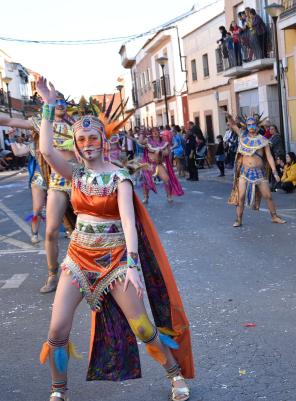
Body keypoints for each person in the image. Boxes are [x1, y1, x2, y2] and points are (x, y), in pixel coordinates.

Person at [36, 77, 193, 401]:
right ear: (77, 143)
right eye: (82, 138)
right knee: (56, 331)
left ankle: (174, 373)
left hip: (115, 264)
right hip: (78, 261)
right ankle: (58, 390)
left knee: (143, 328)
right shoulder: (75, 175)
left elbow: (129, 223)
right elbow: (46, 149)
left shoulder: (120, 177)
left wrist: (133, 266)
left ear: (102, 139)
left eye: (93, 137)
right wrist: (49, 106)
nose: (88, 143)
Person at [0, 92, 77, 293]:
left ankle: (90, 270)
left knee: (84, 231)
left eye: (63, 102)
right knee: (50, 230)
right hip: (57, 182)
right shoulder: (42, 123)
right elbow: (9, 119)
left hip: (79, 180)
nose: (60, 105)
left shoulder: (77, 124)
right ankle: (53, 274)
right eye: (55, 102)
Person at [226, 113, 286, 227]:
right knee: (241, 196)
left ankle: (274, 216)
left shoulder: (263, 140)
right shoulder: (242, 136)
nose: (251, 126)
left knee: (268, 196)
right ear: (246, 126)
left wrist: (274, 172)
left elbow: (269, 157)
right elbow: (233, 125)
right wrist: (229, 117)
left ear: (257, 126)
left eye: (253, 124)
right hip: (244, 172)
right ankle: (238, 220)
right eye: (249, 125)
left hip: (259, 173)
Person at [137, 128, 184, 204]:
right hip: (149, 165)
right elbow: (140, 142)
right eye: (153, 132)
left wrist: (160, 151)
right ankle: (146, 197)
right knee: (145, 181)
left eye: (156, 132)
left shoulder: (164, 142)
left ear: (159, 133)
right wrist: (142, 133)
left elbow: (167, 152)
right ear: (151, 133)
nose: (155, 133)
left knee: (166, 180)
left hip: (159, 164)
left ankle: (169, 196)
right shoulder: (148, 140)